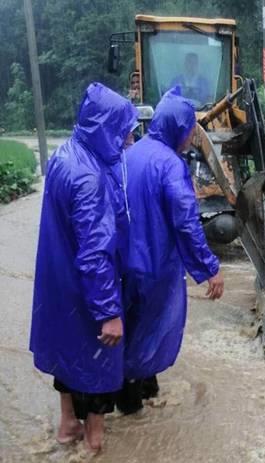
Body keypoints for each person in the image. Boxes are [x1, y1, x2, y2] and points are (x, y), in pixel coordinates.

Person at [30, 82, 138, 453]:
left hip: (60, 282)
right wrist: (109, 312)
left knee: (67, 352)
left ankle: (66, 425)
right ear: (106, 128)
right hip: (88, 290)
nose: (128, 139)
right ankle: (93, 441)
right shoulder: (91, 178)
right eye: (124, 130)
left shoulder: (65, 155)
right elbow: (95, 253)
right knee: (100, 362)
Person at [116, 86, 223, 414]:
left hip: (122, 264)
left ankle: (144, 392)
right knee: (150, 331)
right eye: (190, 129)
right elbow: (187, 223)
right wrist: (209, 269)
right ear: (178, 127)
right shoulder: (171, 166)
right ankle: (133, 415)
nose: (192, 137)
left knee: (132, 330)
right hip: (154, 267)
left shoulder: (129, 154)